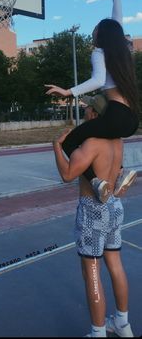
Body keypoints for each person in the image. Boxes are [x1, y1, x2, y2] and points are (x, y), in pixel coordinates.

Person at [45, 0, 139, 203]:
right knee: (110, 143)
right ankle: (118, 174)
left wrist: (69, 91)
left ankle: (98, 182)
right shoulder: (122, 51)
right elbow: (116, 24)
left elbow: (98, 81)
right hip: (131, 119)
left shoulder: (99, 53)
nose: (93, 30)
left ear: (102, 35)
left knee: (68, 141)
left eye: (96, 28)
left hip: (116, 115)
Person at [53, 95, 134, 337]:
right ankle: (122, 324)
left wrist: (56, 146)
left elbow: (68, 174)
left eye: (88, 109)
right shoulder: (117, 142)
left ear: (95, 114)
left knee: (92, 273)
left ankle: (98, 333)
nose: (85, 112)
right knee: (116, 266)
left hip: (92, 211)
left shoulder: (91, 144)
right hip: (114, 207)